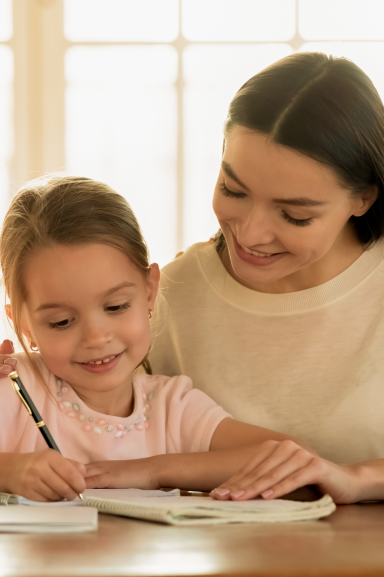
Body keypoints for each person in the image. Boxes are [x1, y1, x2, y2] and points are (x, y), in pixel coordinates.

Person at [1, 174, 354, 504]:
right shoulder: (16, 388)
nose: (96, 337)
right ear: (23, 323)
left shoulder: (171, 407)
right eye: (61, 322)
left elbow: (292, 456)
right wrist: (8, 471)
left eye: (116, 306)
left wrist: (152, 471)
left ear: (150, 291)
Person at [149, 52, 384, 493]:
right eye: (232, 190)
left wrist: (355, 478)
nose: (252, 234)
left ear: (363, 199)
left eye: (294, 215)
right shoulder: (171, 299)